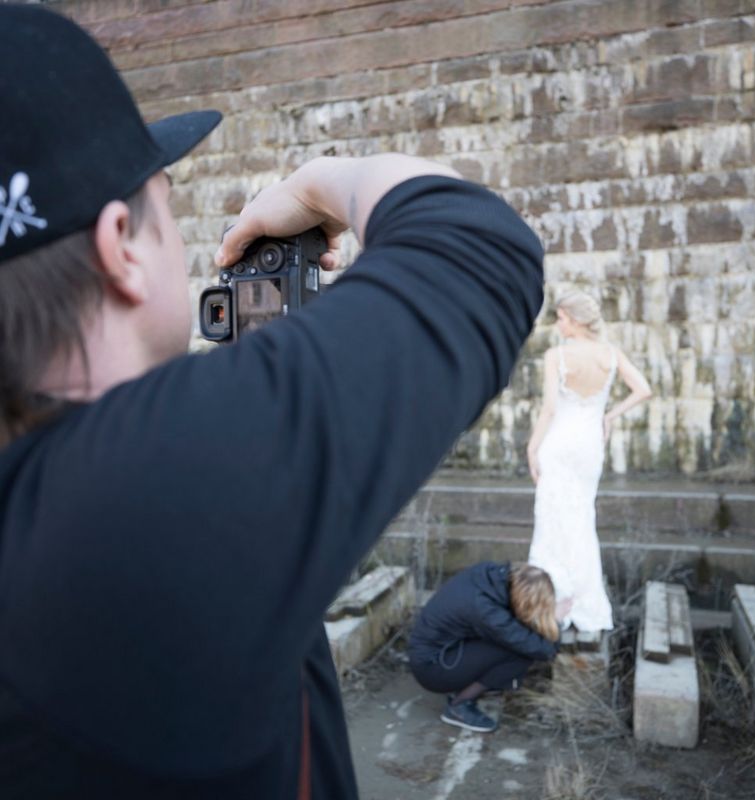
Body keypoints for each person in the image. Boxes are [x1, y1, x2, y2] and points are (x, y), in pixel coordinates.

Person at [0, 5, 545, 799]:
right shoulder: (140, 493)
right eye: (169, 204)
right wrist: (320, 182)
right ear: (120, 245)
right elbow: (478, 247)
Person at [526, 289, 652, 631]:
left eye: (562, 317)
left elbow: (550, 409)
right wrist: (609, 416)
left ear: (576, 320)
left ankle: (549, 607)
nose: (558, 324)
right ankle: (584, 605)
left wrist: (532, 448)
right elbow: (643, 389)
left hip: (559, 442)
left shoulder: (557, 356)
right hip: (589, 445)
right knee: (582, 518)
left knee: (552, 521)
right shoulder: (610, 355)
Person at [408, 562, 567, 733]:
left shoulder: (491, 576)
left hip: (439, 650)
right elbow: (545, 650)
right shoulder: (486, 610)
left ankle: (476, 684)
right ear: (523, 601)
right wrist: (556, 621)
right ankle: (459, 705)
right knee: (520, 652)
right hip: (432, 668)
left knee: (516, 640)